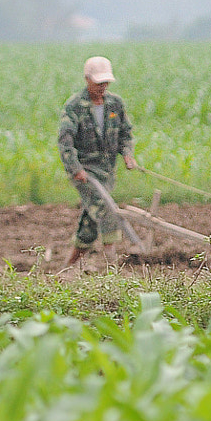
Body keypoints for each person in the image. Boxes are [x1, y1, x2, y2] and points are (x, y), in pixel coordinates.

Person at [58, 55, 139, 266]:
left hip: (106, 172)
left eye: (106, 83)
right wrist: (75, 169)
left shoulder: (115, 104)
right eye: (98, 82)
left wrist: (127, 155)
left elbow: (125, 134)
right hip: (85, 173)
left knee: (90, 221)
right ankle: (113, 269)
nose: (102, 86)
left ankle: (67, 267)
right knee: (107, 211)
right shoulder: (75, 106)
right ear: (87, 79)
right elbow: (65, 143)